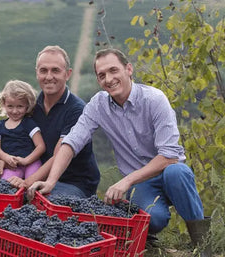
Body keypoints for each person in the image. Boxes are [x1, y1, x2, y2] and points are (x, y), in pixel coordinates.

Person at [29, 48, 210, 256]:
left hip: (167, 172)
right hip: (142, 184)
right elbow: (71, 142)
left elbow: (169, 156)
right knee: (152, 219)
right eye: (102, 75)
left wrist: (126, 181)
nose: (109, 79)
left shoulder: (154, 100)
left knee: (178, 173)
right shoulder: (98, 105)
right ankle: (150, 241)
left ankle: (203, 246)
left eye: (114, 70)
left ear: (128, 69)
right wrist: (51, 181)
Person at [0, 45, 100, 198]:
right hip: (36, 174)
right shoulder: (31, 106)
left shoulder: (77, 110)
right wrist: (4, 159)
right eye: (43, 70)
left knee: (40, 205)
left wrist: (26, 183)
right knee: (3, 196)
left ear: (68, 74)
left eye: (55, 70)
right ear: (37, 73)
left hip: (73, 182)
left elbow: (59, 155)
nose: (49, 76)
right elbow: (19, 139)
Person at [0, 80, 45, 180]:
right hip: (11, 165)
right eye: (10, 106)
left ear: (27, 106)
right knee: (6, 186)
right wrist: (6, 158)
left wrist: (26, 161)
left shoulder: (29, 123)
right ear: (4, 104)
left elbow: (40, 146)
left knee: (31, 186)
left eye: (20, 106)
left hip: (31, 163)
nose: (15, 111)